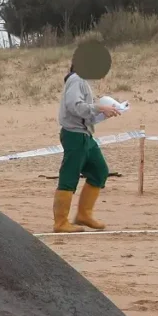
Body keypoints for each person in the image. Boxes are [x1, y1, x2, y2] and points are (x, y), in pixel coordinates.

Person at [53, 41, 122, 234]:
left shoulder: (82, 81)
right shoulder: (76, 80)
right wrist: (100, 107)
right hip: (74, 136)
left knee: (99, 171)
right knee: (69, 176)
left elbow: (84, 113)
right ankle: (60, 222)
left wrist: (102, 114)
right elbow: (75, 106)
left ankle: (84, 214)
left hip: (85, 135)